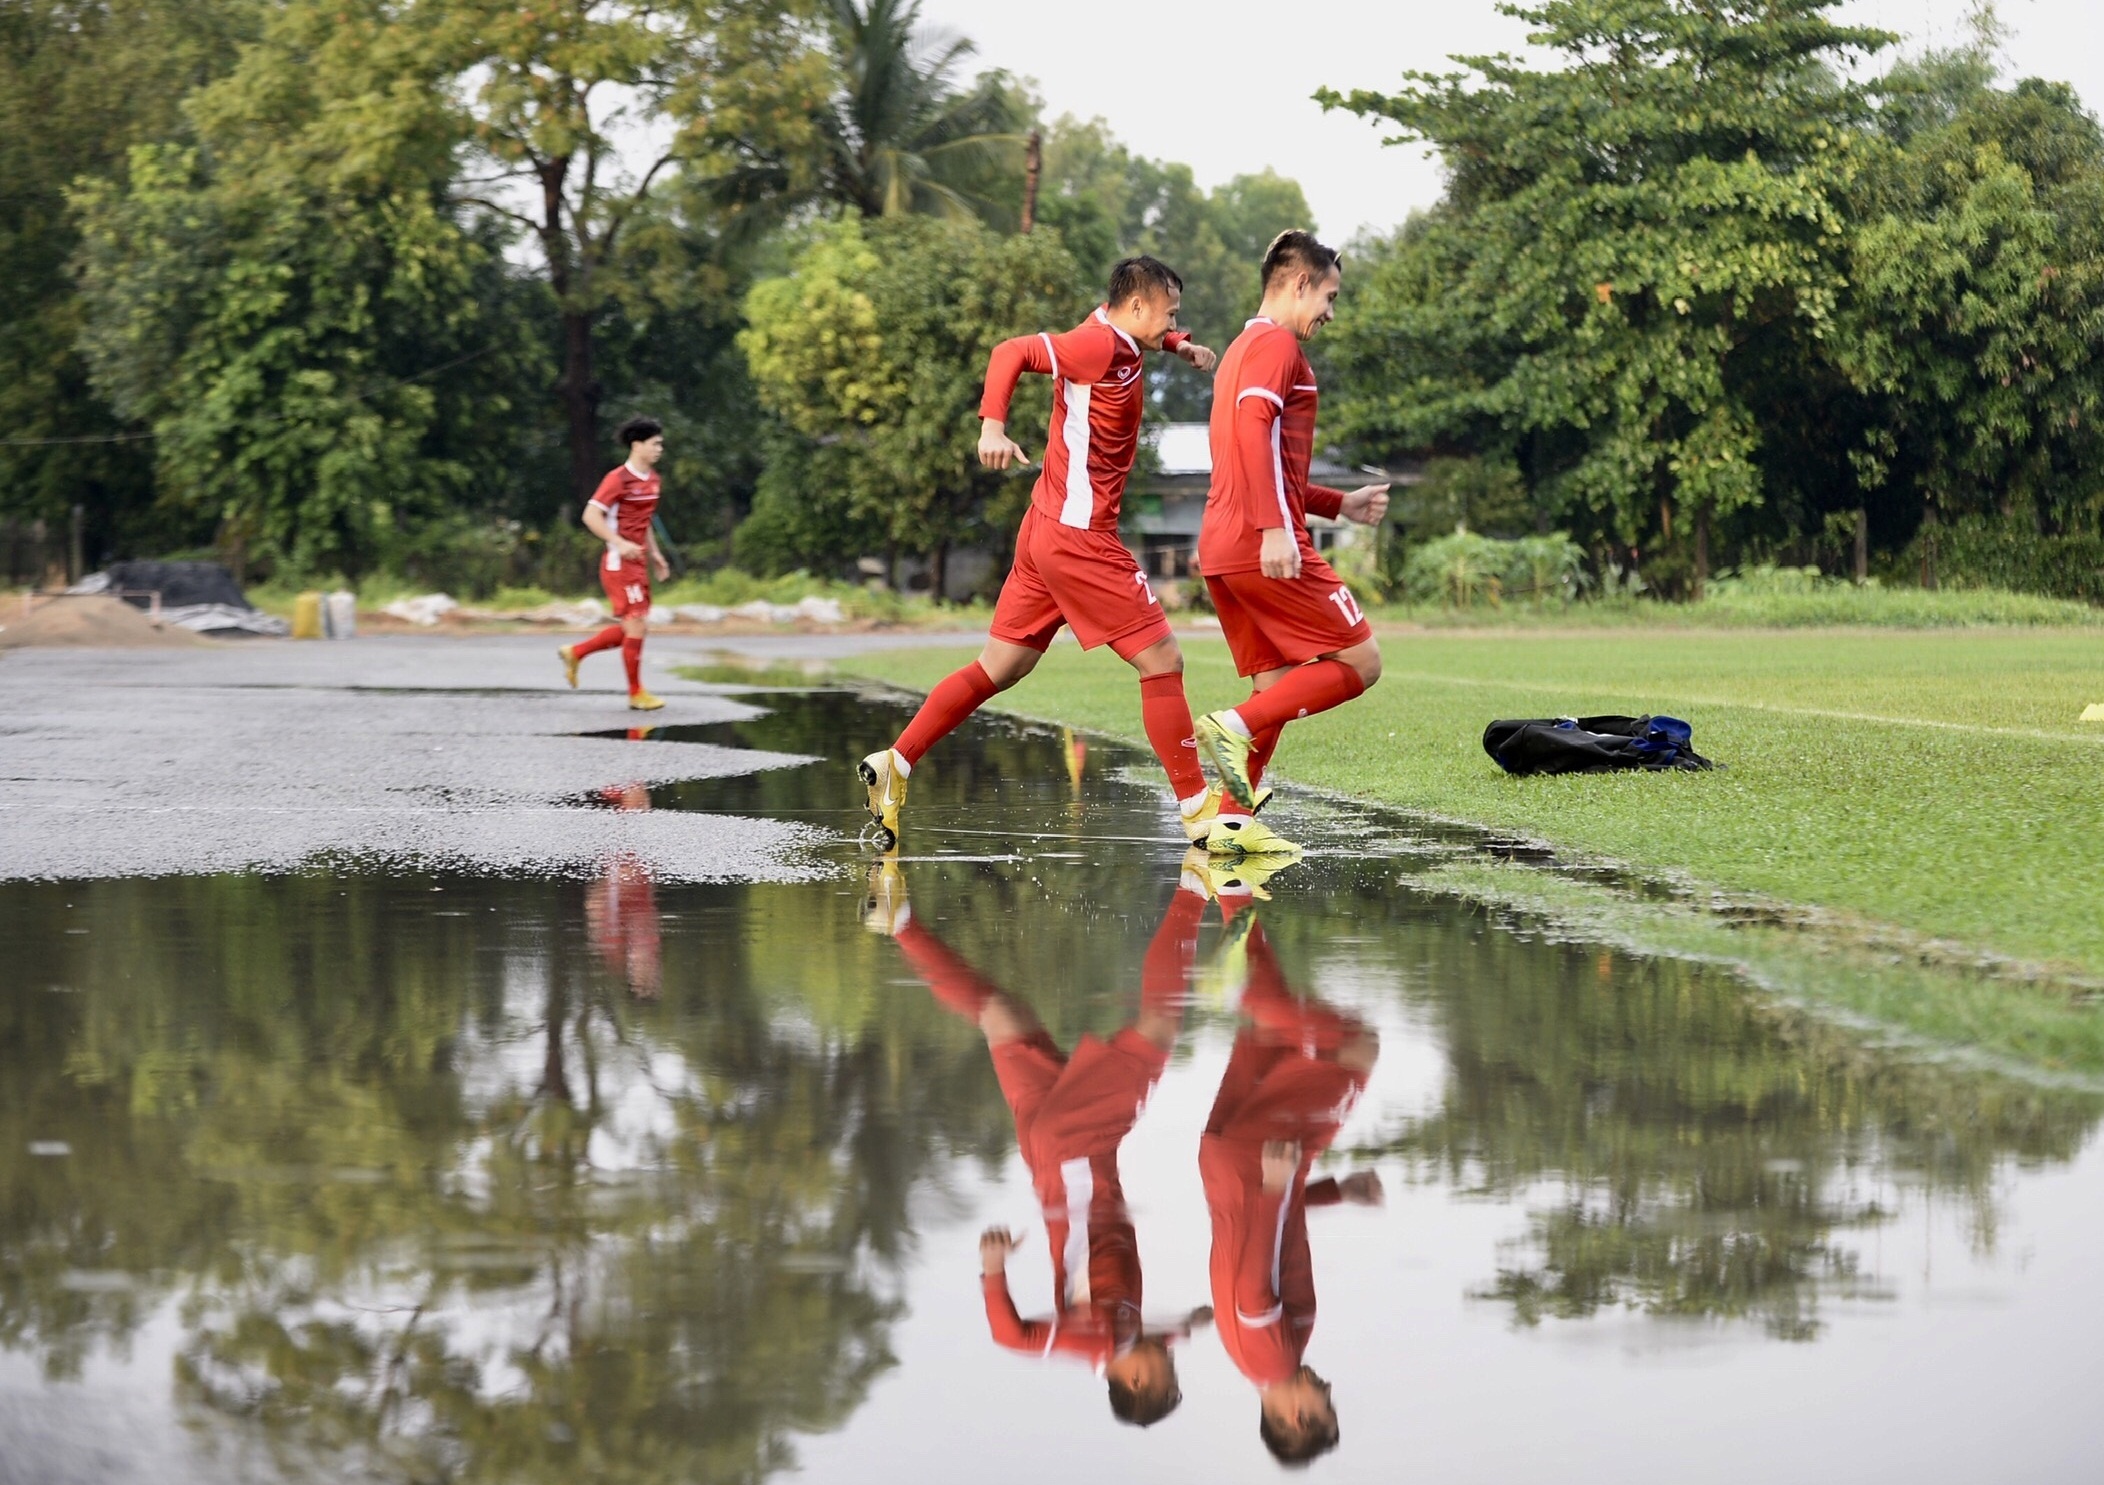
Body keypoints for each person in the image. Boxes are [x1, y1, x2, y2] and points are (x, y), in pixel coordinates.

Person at [858, 258, 1220, 848]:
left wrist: (1180, 346)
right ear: (1136, 307)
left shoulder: (1123, 336)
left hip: (1045, 529)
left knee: (1000, 667)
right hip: (1080, 537)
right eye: (1170, 315)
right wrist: (991, 427)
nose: (1175, 325)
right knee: (1162, 660)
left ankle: (895, 762)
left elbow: (1145, 339)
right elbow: (1012, 351)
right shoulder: (1097, 345)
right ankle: (1200, 810)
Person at [865, 855, 1215, 1426]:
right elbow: (1148, 1333)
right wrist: (1185, 1327)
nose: (1171, 1362)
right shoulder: (1119, 1335)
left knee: (1160, 1027)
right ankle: (899, 922)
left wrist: (992, 1269)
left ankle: (1195, 886)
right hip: (1047, 1153)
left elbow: (1012, 1336)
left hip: (1077, 1147)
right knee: (1001, 1015)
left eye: (1166, 1374)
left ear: (1136, 1381)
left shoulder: (1102, 1344)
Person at [1193, 232, 1391, 857]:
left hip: (1223, 545)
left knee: (1274, 685)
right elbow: (1255, 428)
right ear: (1299, 283)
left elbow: (1268, 462)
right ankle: (1233, 727)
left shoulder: (1240, 349)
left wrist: (1340, 504)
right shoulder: (1279, 344)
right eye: (1329, 296)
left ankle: (1230, 825)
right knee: (1362, 663)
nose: (1330, 312)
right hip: (1261, 541)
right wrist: (1276, 528)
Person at [1199, 901, 1383, 1465]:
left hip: (1261, 1168)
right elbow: (1273, 1243)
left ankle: (1237, 993)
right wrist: (1336, 1192)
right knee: (1271, 1030)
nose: (1328, 1390)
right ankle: (1232, 877)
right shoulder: (1247, 1359)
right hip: (1226, 1165)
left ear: (1296, 1418)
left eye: (1325, 1406)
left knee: (1357, 1049)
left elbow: (1255, 1282)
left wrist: (1276, 1184)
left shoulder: (1274, 1360)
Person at [560, 417, 672, 711]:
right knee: (637, 623)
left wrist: (655, 554)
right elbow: (590, 516)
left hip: (638, 563)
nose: (660, 449)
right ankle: (636, 693)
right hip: (618, 564)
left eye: (660, 444)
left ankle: (576, 652)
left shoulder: (653, 480)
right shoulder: (617, 479)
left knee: (635, 627)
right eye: (655, 444)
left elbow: (643, 521)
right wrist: (619, 543)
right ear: (637, 445)